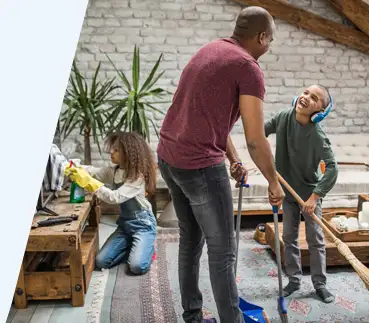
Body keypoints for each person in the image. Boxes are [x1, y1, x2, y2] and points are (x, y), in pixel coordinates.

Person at [156, 6, 285, 323]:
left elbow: (210, 120)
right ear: (261, 36)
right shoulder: (248, 68)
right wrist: (273, 181)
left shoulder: (211, 50)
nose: (269, 47)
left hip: (168, 156)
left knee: (191, 241)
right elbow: (256, 138)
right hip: (198, 165)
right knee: (224, 251)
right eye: (270, 40)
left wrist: (234, 158)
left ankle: (193, 317)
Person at [264, 84, 339, 303]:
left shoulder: (317, 135)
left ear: (320, 113)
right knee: (289, 237)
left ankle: (320, 284)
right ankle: (294, 280)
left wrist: (314, 198)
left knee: (315, 239)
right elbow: (260, 132)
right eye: (306, 92)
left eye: (314, 98)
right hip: (287, 191)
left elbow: (333, 167)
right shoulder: (283, 118)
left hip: (309, 194)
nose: (306, 97)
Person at [65, 132, 157, 276]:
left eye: (116, 150)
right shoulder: (114, 171)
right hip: (125, 226)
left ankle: (148, 250)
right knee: (101, 261)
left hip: (143, 226)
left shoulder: (137, 177)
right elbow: (95, 172)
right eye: (111, 149)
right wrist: (76, 167)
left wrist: (90, 184)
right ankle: (134, 246)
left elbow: (115, 198)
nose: (111, 153)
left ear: (128, 153)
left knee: (137, 267)